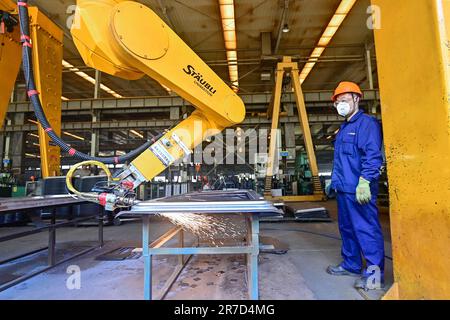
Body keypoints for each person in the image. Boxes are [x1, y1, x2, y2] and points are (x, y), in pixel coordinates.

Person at [326, 81, 385, 291]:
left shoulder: (366, 124)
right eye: (337, 102)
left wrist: (365, 181)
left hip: (360, 189)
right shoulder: (343, 129)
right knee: (347, 229)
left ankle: (374, 276)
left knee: (367, 231)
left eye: (344, 100)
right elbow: (343, 161)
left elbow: (373, 156)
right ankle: (351, 264)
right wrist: (334, 182)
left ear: (356, 99)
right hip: (344, 189)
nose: (340, 104)